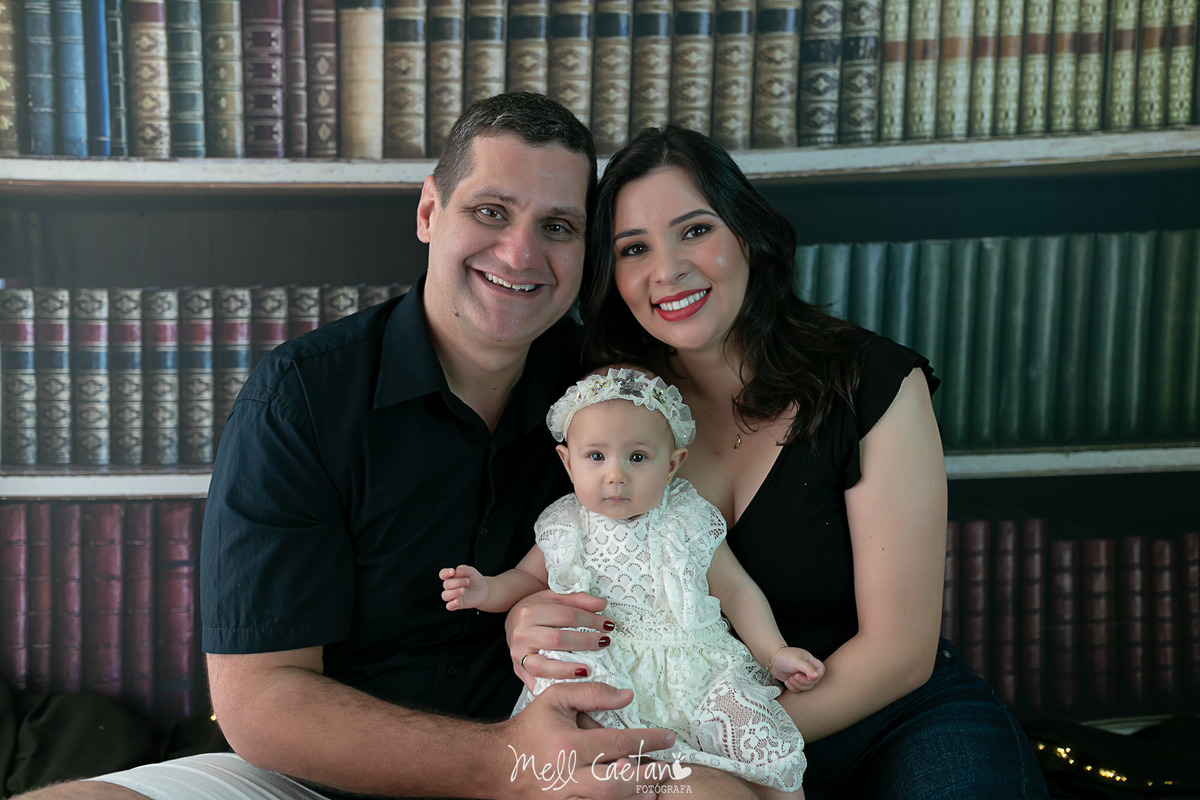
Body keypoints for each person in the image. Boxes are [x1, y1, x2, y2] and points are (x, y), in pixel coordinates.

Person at [17, 97, 745, 800]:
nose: (521, 253)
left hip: (566, 761)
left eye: (557, 226)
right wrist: (502, 763)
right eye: (491, 212)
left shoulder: (612, 398)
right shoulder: (303, 397)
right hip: (313, 781)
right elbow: (260, 702)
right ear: (429, 212)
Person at [503, 125, 1051, 800]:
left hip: (890, 719)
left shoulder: (871, 384)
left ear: (748, 237)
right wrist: (522, 618)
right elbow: (562, 566)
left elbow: (899, 656)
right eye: (633, 248)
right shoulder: (607, 408)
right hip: (691, 738)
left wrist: (734, 750)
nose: (667, 270)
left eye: (695, 231)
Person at [441, 365, 824, 799]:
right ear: (567, 462)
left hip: (696, 669)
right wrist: (488, 590)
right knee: (591, 755)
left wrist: (774, 652)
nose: (616, 475)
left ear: (672, 464)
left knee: (766, 752)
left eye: (637, 457)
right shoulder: (567, 524)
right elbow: (527, 579)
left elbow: (736, 591)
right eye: (596, 456)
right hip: (607, 665)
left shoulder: (686, 518)